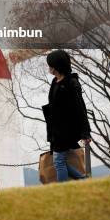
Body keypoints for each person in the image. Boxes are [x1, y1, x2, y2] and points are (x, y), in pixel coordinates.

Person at [43, 50, 91, 182]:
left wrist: (85, 133)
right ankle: (83, 180)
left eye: (51, 64)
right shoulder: (55, 81)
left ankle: (62, 191)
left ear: (57, 66)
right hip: (56, 130)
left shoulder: (71, 83)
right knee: (59, 161)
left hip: (66, 129)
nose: (49, 67)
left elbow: (80, 108)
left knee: (58, 161)